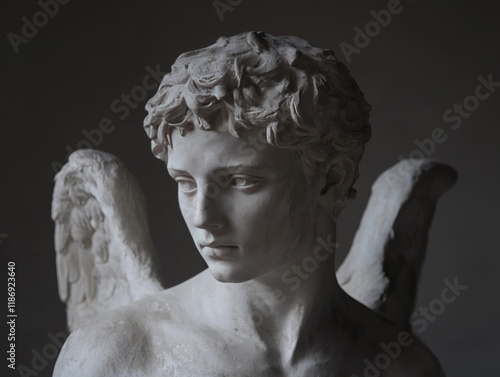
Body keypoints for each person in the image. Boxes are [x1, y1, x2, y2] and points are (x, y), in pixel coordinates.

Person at [53, 31, 444, 376]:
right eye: (185, 183)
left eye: (241, 181)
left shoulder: (400, 364)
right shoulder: (115, 356)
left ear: (331, 179)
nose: (203, 217)